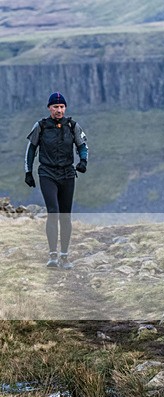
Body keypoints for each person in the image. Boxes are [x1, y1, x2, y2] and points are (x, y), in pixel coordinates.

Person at [24, 92, 89, 269]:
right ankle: (53, 255)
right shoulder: (41, 126)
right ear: (49, 108)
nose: (58, 110)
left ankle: (65, 256)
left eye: (61, 107)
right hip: (47, 173)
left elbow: (82, 146)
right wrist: (28, 172)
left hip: (67, 174)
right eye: (55, 107)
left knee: (65, 216)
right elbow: (31, 150)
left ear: (65, 108)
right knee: (53, 212)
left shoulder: (72, 125)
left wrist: (83, 161)